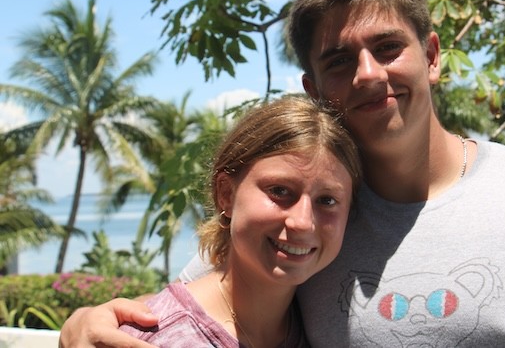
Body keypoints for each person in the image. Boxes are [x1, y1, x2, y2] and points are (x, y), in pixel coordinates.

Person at [60, 0, 505, 347]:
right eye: (339, 60)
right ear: (313, 89)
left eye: (388, 48)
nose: (368, 74)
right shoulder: (311, 222)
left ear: (432, 56)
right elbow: (198, 304)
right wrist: (86, 323)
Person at [117, 95, 362, 347]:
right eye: (279, 191)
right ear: (226, 194)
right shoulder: (157, 337)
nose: (302, 222)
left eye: (327, 200)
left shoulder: (312, 332)